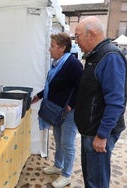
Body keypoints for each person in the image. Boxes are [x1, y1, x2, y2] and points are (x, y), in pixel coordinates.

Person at [74, 16, 127, 188]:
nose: (76, 41)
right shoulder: (95, 55)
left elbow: (116, 102)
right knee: (90, 177)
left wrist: (102, 135)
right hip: (90, 129)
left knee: (96, 182)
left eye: (77, 36)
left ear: (92, 34)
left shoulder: (110, 56)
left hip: (98, 133)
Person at [32, 32, 83, 188]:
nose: (49, 49)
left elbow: (81, 87)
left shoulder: (73, 64)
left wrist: (70, 105)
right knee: (59, 140)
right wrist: (39, 96)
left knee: (67, 144)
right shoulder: (57, 63)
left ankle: (66, 175)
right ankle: (58, 165)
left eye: (52, 46)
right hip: (57, 111)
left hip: (68, 112)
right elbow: (53, 86)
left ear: (62, 48)